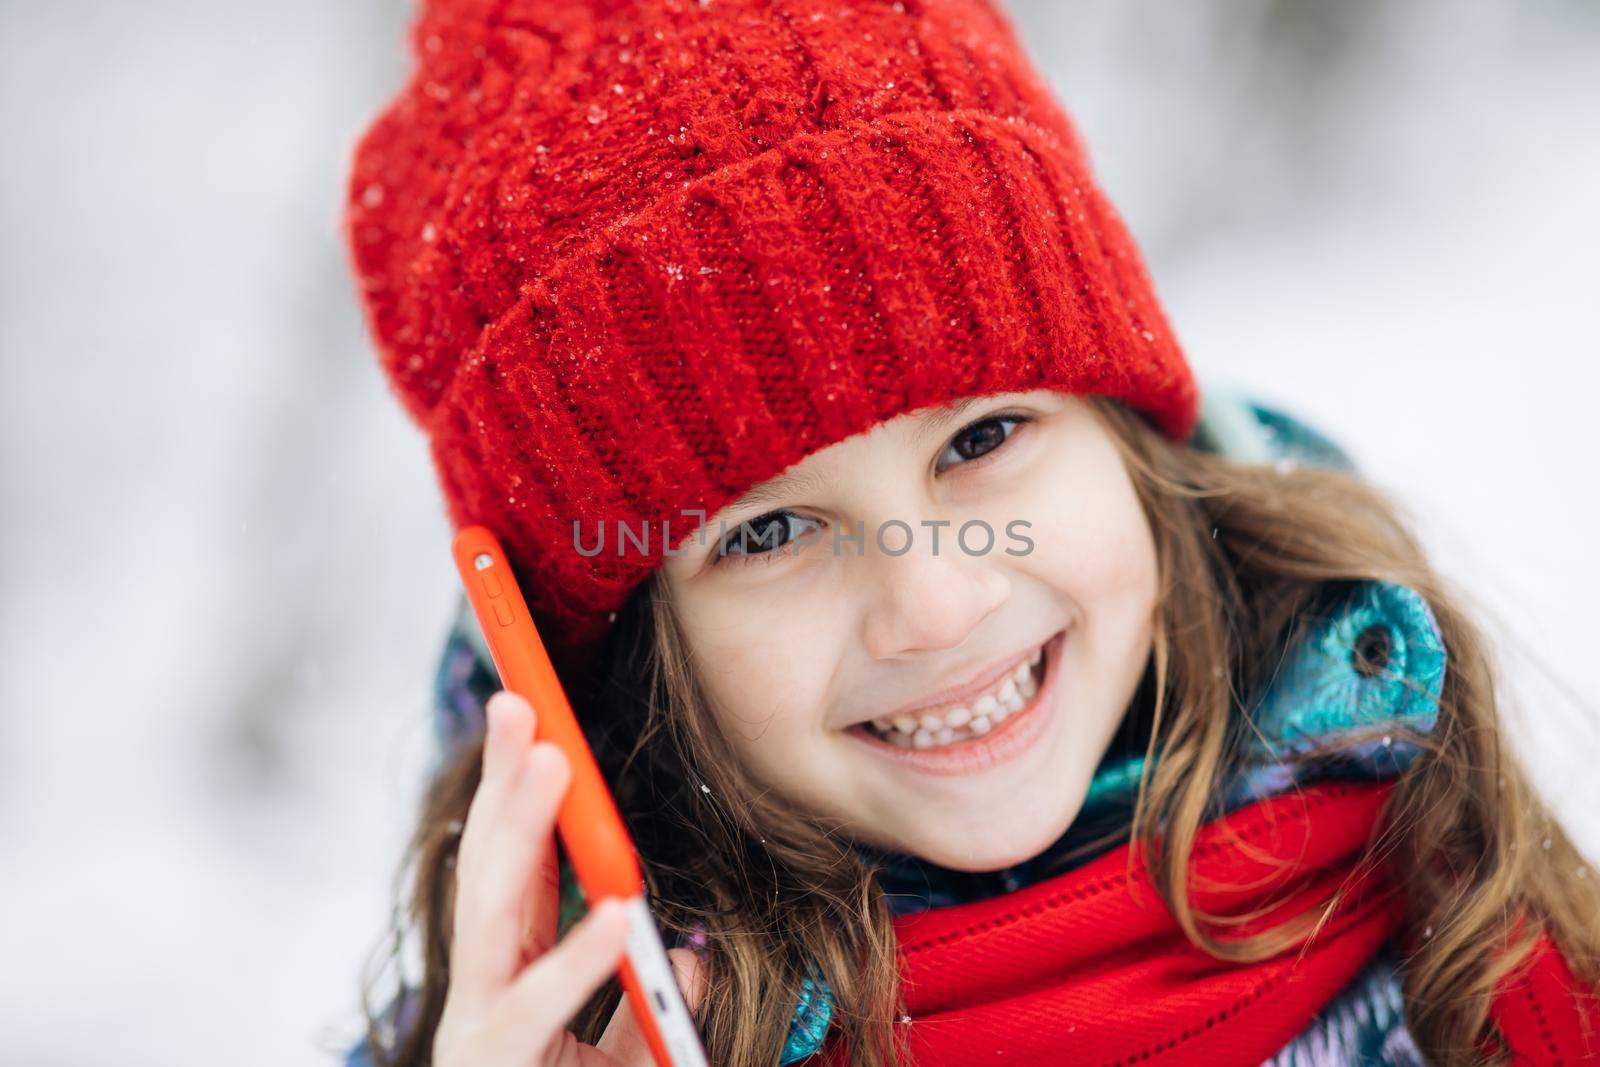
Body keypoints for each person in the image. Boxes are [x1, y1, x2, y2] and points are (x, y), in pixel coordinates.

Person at [339, 1, 1600, 1063]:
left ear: (1129, 434)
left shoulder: (1451, 865)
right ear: (622, 672)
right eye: (770, 530)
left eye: (984, 439)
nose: (938, 605)